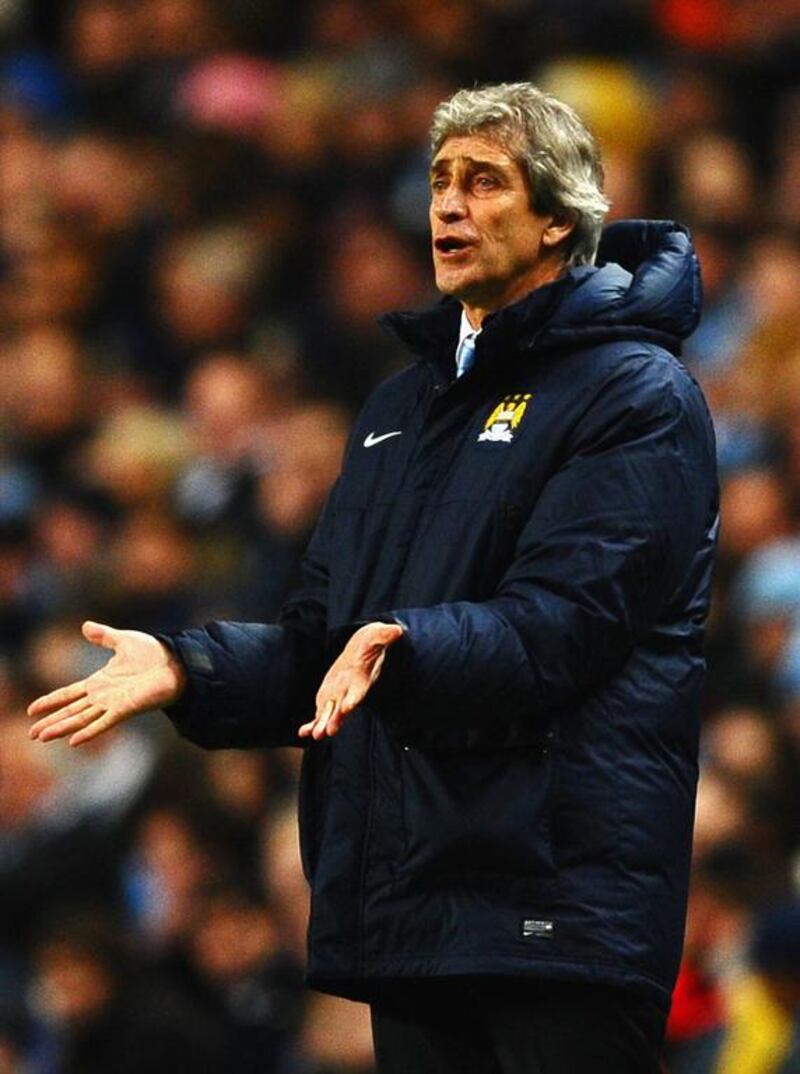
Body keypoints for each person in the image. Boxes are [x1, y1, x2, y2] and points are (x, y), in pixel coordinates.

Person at [28, 82, 719, 1073]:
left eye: (483, 182)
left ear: (558, 216)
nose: (446, 204)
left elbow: (565, 623)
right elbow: (323, 641)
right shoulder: (399, 409)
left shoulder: (635, 393)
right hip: (412, 907)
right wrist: (188, 669)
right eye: (439, 180)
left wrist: (403, 643)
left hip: (556, 908)